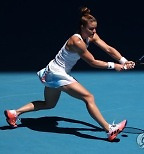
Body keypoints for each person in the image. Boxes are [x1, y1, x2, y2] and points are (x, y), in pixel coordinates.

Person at [4, 7, 135, 141]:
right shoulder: (76, 41)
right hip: (57, 74)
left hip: (51, 72)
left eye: (95, 28)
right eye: (91, 29)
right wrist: (114, 66)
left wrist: (124, 61)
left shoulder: (91, 36)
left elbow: (108, 48)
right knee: (88, 97)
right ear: (82, 27)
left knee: (49, 104)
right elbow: (92, 62)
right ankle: (109, 130)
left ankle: (14, 113)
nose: (94, 31)